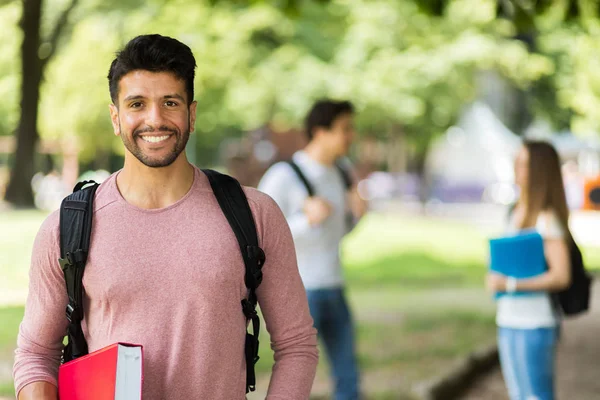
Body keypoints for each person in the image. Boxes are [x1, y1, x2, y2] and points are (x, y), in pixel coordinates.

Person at [13, 34, 318, 400]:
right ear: (116, 117)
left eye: (170, 102)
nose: (154, 120)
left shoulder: (254, 214)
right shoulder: (68, 227)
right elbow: (35, 354)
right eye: (137, 104)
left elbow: (297, 345)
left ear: (191, 113)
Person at [258, 100, 367, 400]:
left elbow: (337, 233)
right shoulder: (284, 175)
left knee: (349, 377)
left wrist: (357, 215)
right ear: (320, 132)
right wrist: (306, 221)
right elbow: (260, 237)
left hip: (335, 286)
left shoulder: (342, 172)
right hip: (301, 292)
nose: (351, 136)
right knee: (295, 381)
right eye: (345, 129)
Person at [486, 140, 572, 400]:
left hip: (535, 324)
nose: (517, 170)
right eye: (517, 162)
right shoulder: (513, 212)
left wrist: (511, 285)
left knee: (536, 396)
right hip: (508, 320)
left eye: (524, 164)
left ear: (540, 171)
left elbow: (561, 276)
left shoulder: (547, 219)